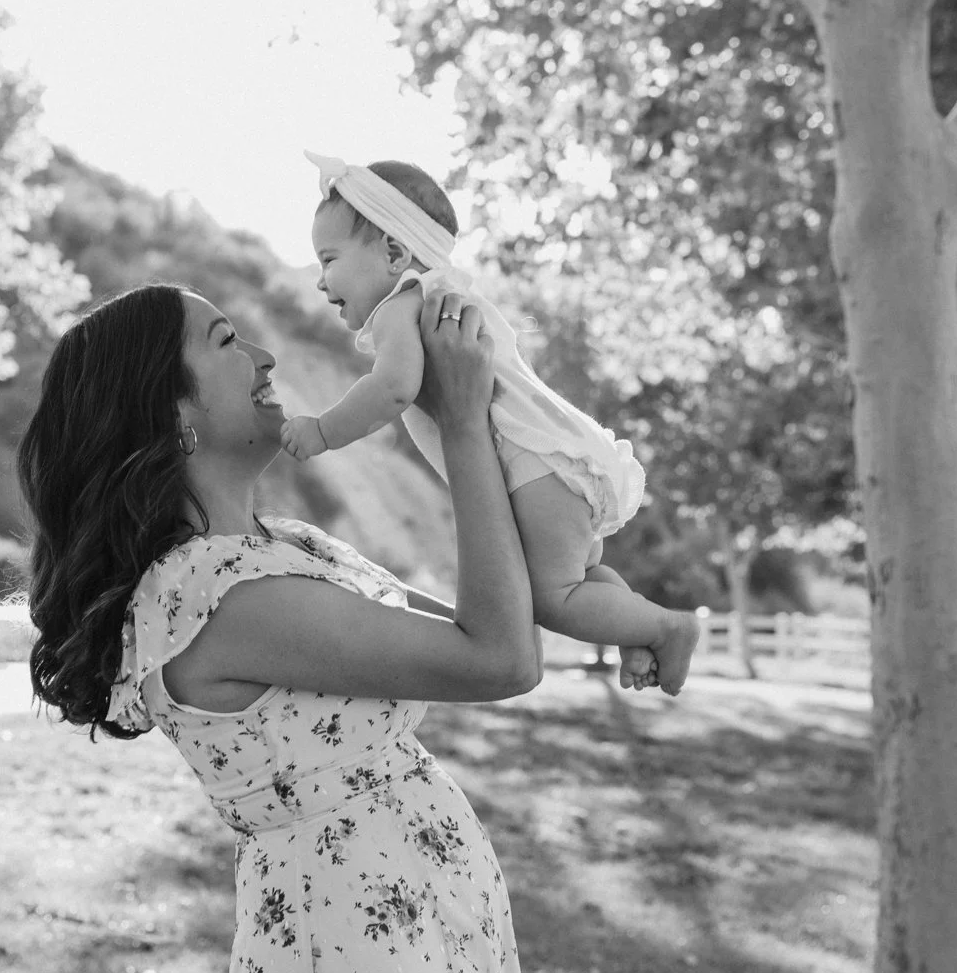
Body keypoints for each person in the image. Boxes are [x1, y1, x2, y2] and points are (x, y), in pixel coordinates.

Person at [18, 281, 644, 973]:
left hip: (420, 939)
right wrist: (456, 417)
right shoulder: (220, 595)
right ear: (172, 414)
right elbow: (498, 656)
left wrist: (581, 562)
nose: (261, 348)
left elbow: (491, 610)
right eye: (223, 339)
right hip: (362, 959)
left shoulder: (284, 546)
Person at [281, 153, 698, 696]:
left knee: (553, 597)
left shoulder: (400, 305)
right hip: (553, 459)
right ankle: (635, 627)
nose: (320, 281)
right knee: (578, 575)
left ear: (393, 252)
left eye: (329, 259)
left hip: (533, 464)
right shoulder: (441, 297)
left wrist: (324, 430)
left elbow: (393, 387)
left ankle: (670, 626)